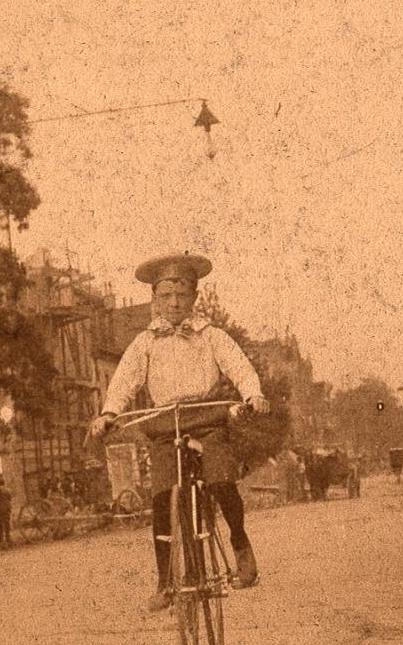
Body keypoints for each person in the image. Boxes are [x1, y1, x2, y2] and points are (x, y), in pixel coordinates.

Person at [90, 251, 270, 612]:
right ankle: (165, 580)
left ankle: (239, 542)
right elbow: (124, 380)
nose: (174, 303)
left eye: (182, 296)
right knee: (161, 499)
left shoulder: (210, 335)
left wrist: (254, 393)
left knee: (220, 480)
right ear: (155, 299)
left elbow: (239, 366)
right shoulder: (145, 342)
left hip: (206, 418)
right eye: (166, 296)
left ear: (194, 298)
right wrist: (109, 412)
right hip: (164, 425)